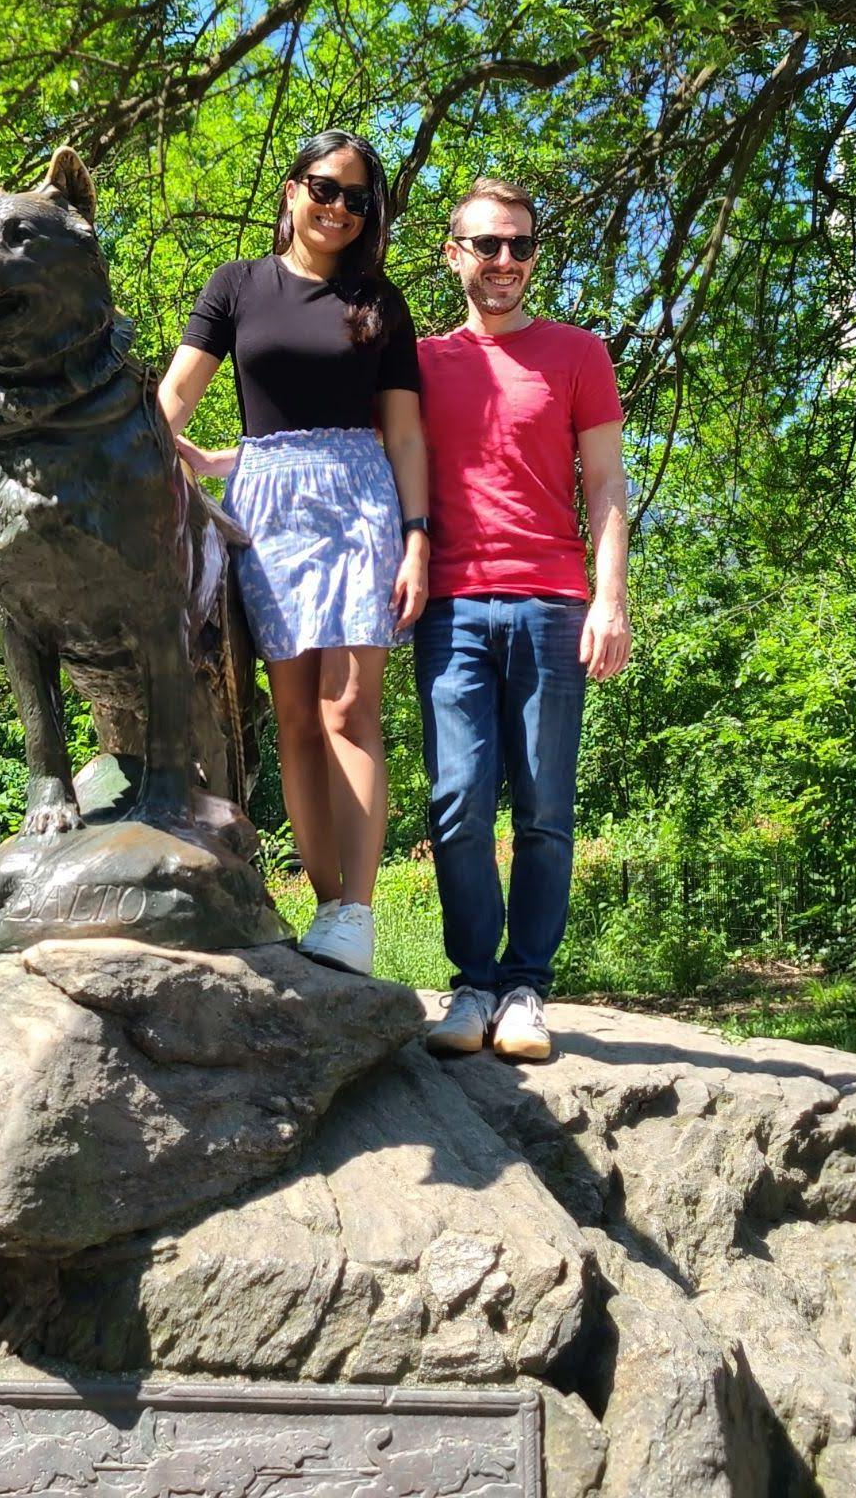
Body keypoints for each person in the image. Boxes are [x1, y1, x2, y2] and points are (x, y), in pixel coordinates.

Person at [156, 131, 430, 977]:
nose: (339, 208)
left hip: (360, 503)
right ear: (292, 188)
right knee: (295, 717)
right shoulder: (238, 284)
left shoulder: (380, 301)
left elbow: (404, 434)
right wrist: (147, 458)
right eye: (325, 188)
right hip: (268, 508)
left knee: (350, 709)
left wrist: (417, 537)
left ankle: (357, 913)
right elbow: (175, 396)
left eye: (358, 198)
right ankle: (323, 905)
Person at [414, 177, 631, 1060]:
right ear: (453, 254)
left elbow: (606, 485)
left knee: (544, 810)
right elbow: (349, 455)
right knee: (458, 803)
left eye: (521, 245)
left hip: (552, 606)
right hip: (451, 608)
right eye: (488, 244)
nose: (506, 260)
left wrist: (610, 600)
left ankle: (525, 990)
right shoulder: (421, 362)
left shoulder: (578, 353)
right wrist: (229, 459)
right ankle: (472, 985)